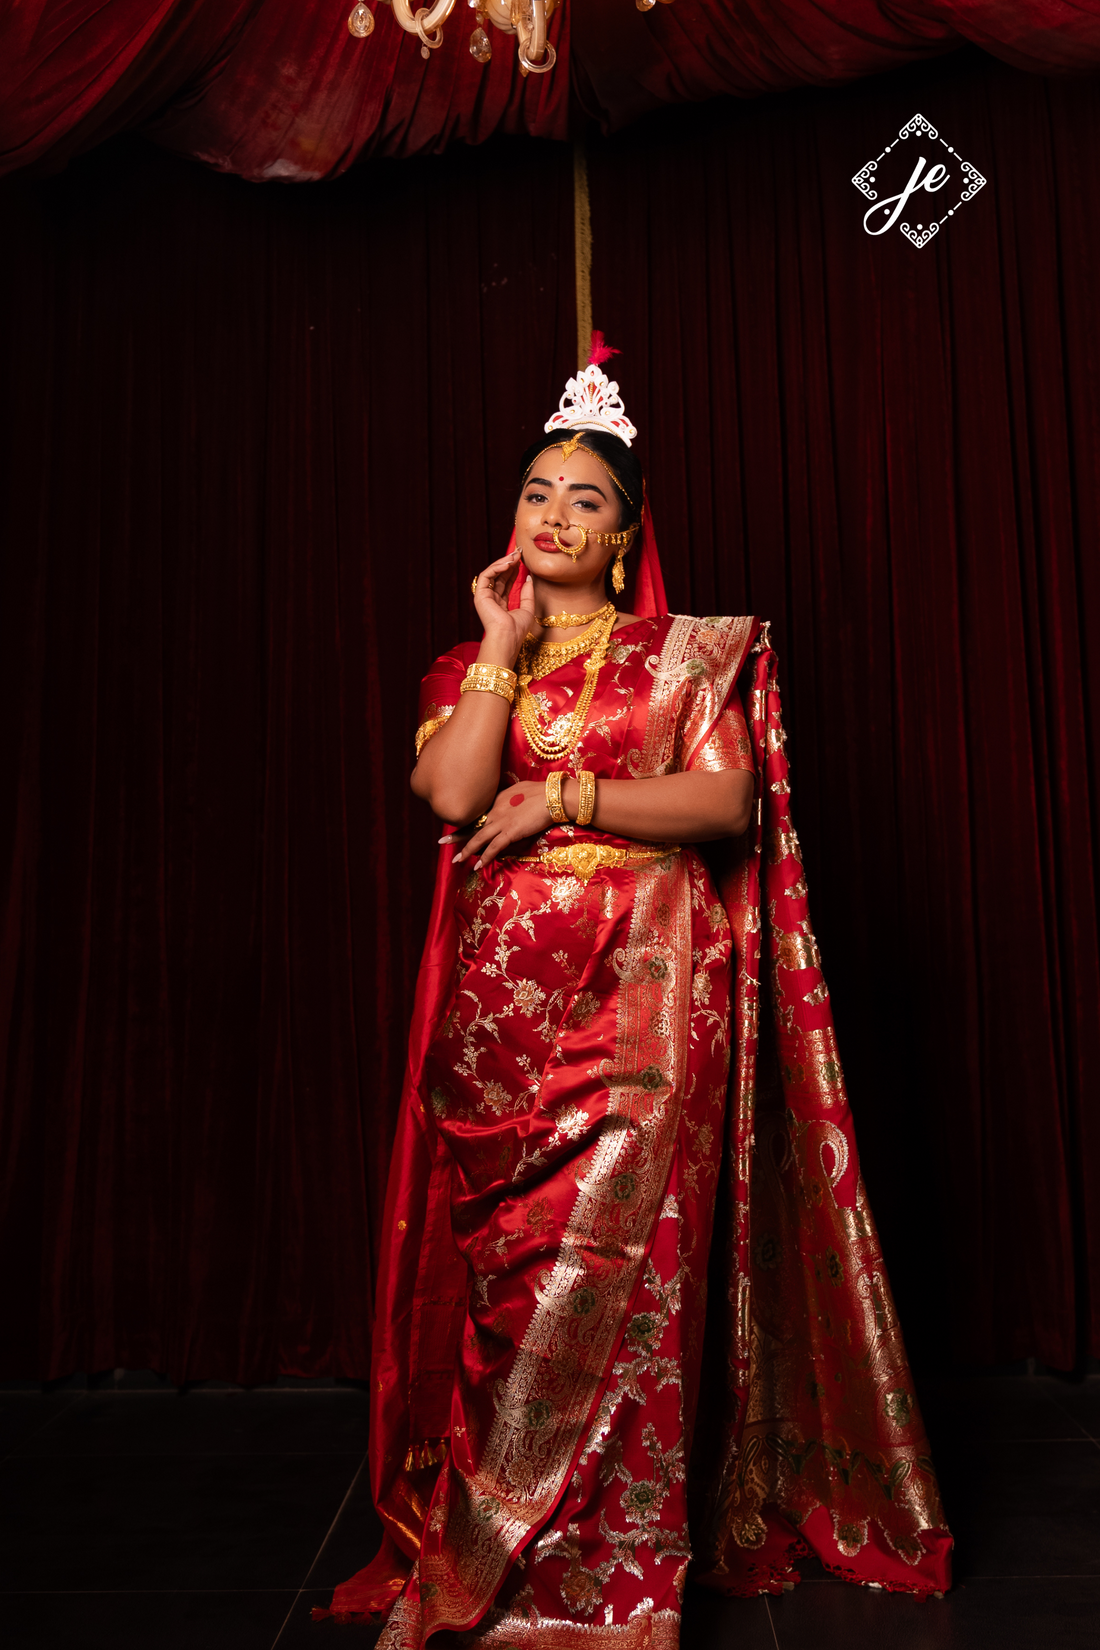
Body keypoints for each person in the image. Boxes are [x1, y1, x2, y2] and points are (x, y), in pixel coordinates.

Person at [318, 350, 952, 1646]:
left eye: (585, 500)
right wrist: (502, 644)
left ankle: (603, 1581)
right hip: (501, 1020)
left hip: (648, 1005)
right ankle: (484, 1550)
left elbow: (721, 804)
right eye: (538, 493)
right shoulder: (464, 662)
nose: (554, 514)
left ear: (624, 537)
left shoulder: (683, 660)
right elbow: (448, 793)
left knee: (620, 1273)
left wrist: (565, 797)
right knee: (511, 1283)